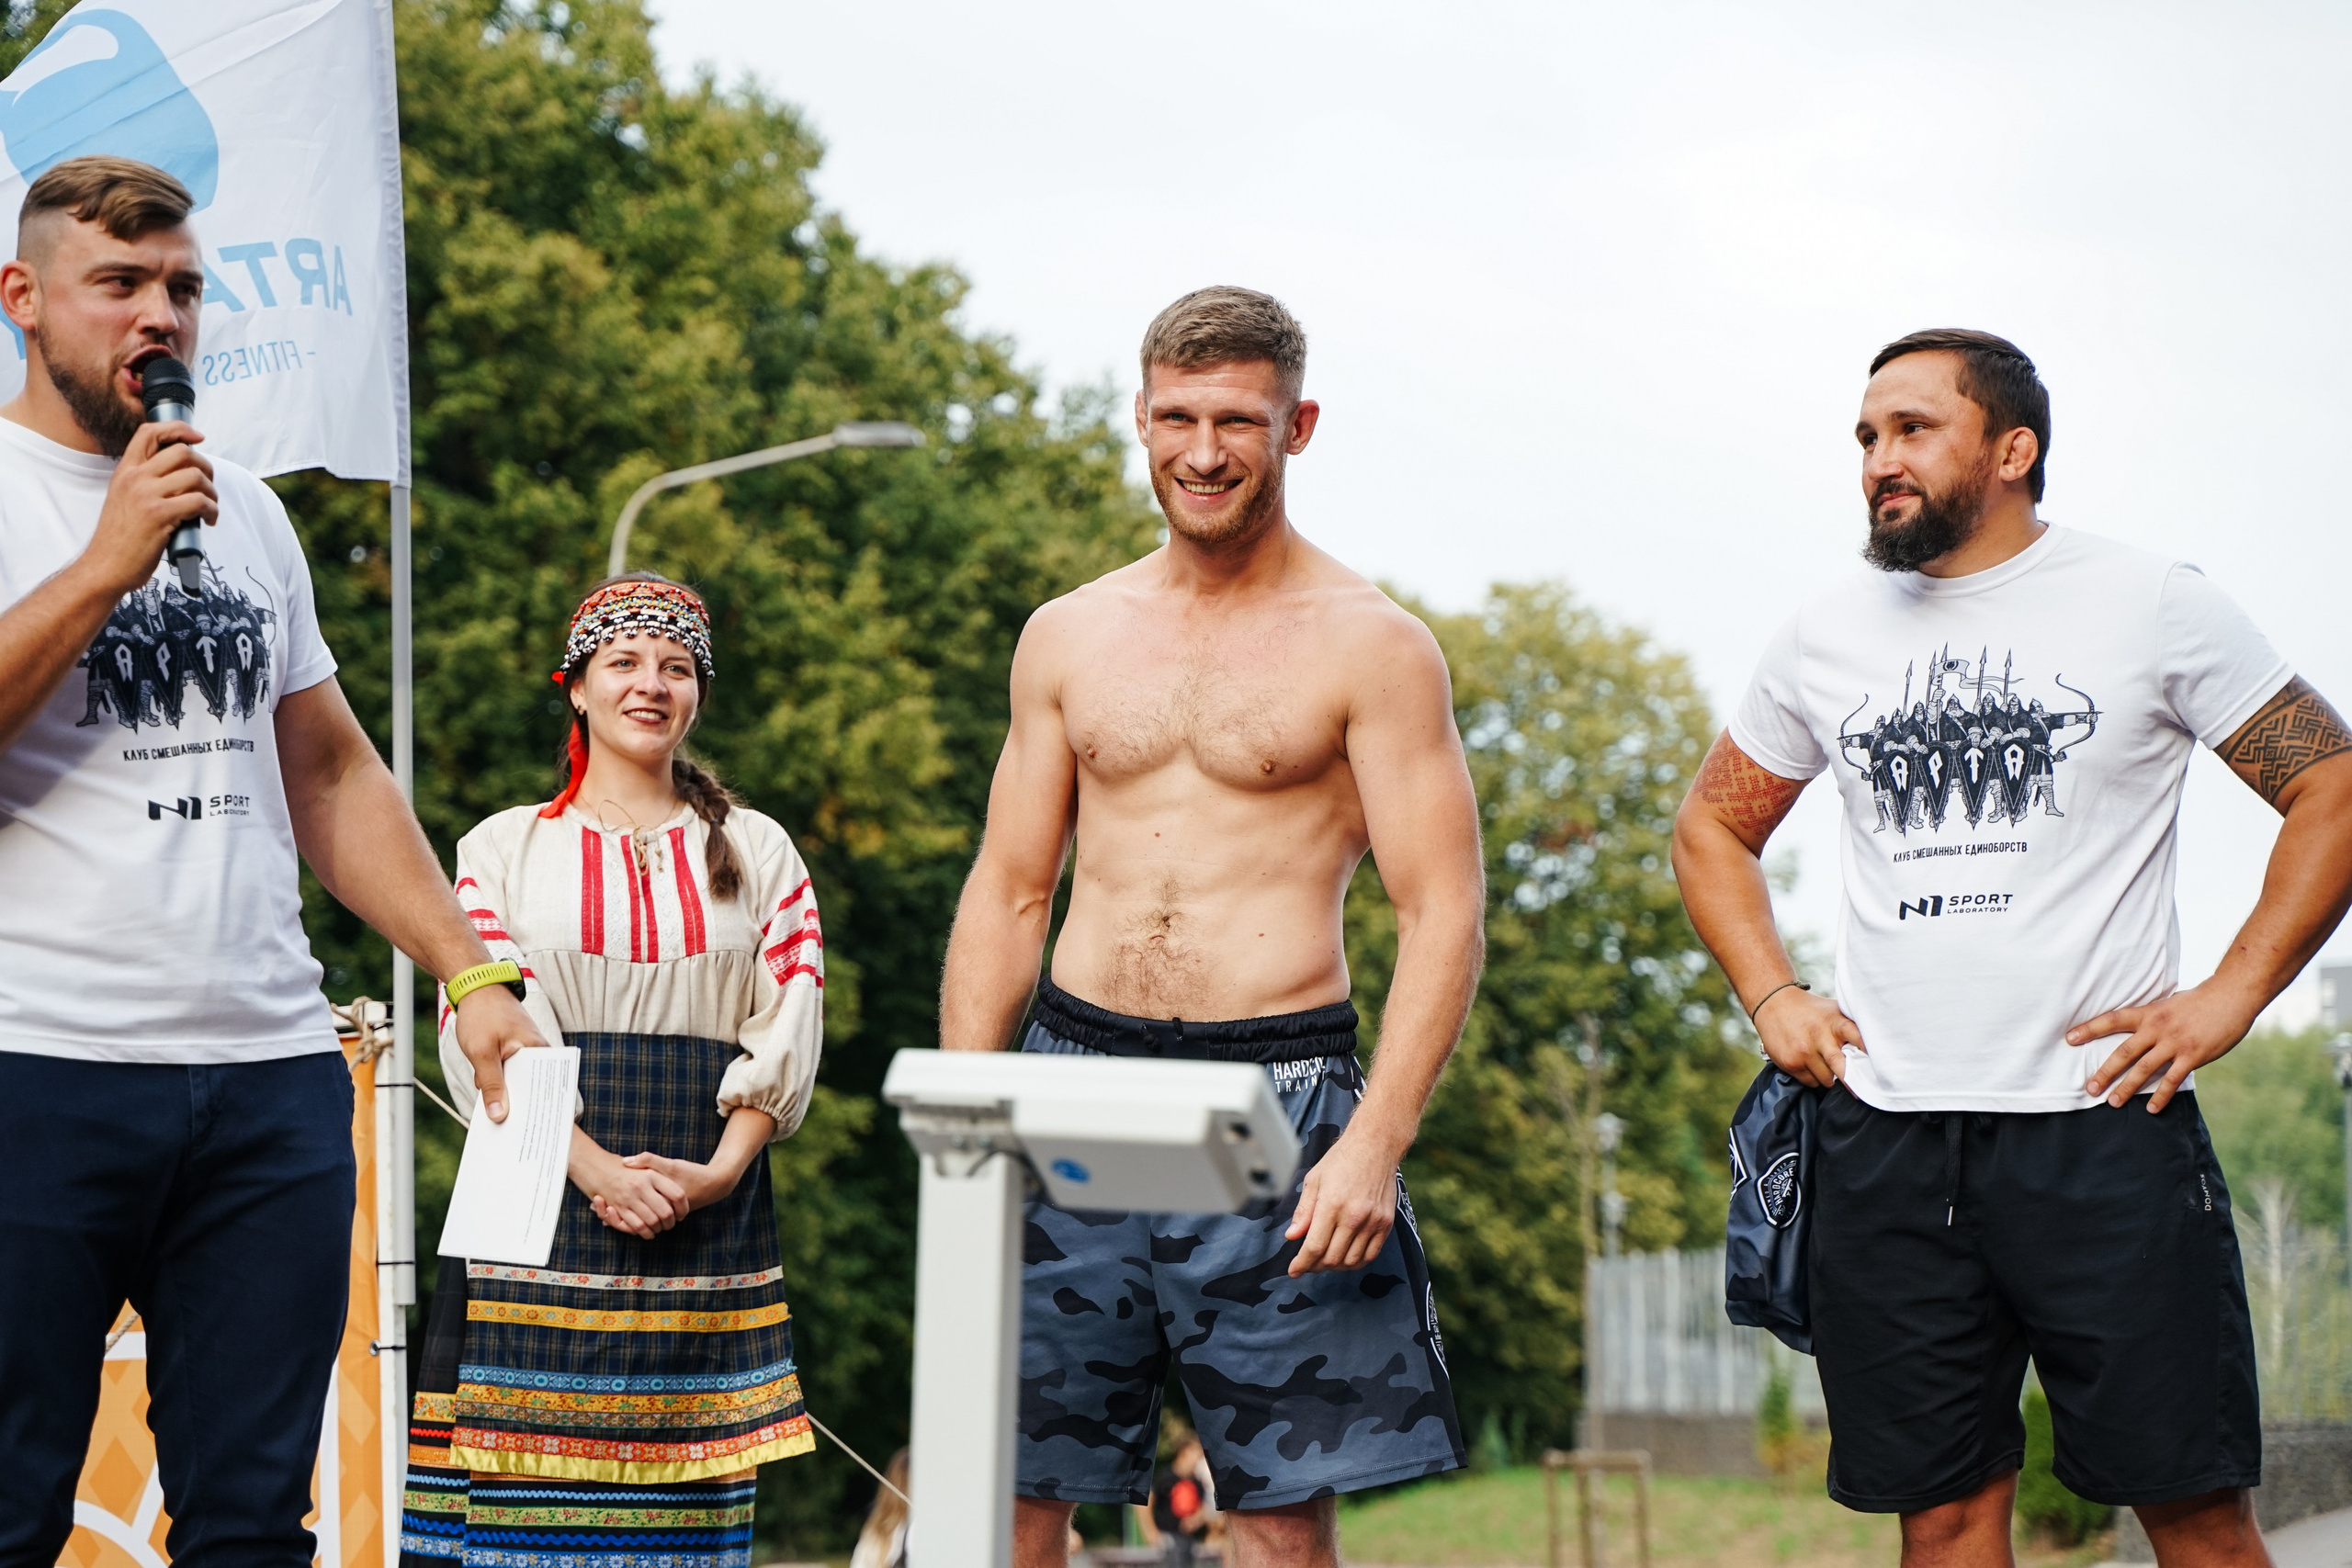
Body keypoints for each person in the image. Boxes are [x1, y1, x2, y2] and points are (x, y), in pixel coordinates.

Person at [1673, 327, 2352, 1567]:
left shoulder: (2151, 600)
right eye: (1867, 436)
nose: (1879, 457)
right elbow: (1712, 828)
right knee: (1941, 1519)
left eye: (1912, 429)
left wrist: (2232, 994)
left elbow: (2334, 785)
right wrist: (1772, 991)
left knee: (2196, 1517)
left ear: (2012, 448)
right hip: (1884, 1133)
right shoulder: (1826, 631)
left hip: (2103, 1125)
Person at [0, 155, 548, 1564]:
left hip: (266, 1081)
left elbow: (328, 766)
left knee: (252, 1524)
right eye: (117, 284)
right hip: (35, 1067)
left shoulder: (250, 510)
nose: (158, 317)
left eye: (181, 287)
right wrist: (103, 563)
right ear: (24, 298)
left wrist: (470, 966)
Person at [938, 286, 1485, 1568]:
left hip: (1277, 1100)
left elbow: (1442, 908)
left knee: (1279, 1518)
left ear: (1296, 424)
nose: (1202, 450)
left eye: (1235, 420)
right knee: (1009, 1490)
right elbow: (1011, 886)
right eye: (1175, 416)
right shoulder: (1067, 634)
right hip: (1072, 1089)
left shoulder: (1375, 645)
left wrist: (1375, 1141)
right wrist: (970, 1104)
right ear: (1137, 416)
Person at [396, 575, 825, 1564]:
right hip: (535, 1191)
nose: (651, 685)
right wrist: (592, 1169)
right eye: (624, 663)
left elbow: (788, 1014)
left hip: (705, 1197)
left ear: (699, 696)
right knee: (511, 1509)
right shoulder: (501, 847)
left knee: (687, 1516)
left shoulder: (755, 848)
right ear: (576, 687)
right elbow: (483, 1033)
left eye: (677, 669)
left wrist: (716, 1175)